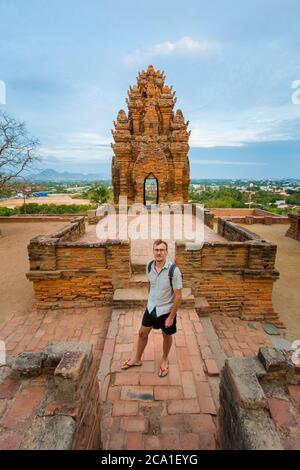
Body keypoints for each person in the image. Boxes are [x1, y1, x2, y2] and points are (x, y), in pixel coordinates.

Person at [121, 239, 183, 377]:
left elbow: (178, 297)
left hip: (166, 311)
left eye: (162, 250)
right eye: (156, 250)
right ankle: (137, 359)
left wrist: (171, 317)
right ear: (153, 251)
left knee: (166, 335)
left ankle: (165, 359)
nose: (159, 252)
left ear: (166, 252)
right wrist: (150, 299)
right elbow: (150, 283)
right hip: (151, 308)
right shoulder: (149, 265)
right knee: (142, 333)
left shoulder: (174, 271)